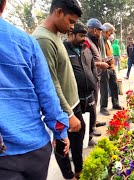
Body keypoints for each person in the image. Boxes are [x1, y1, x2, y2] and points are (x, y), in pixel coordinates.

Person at [0, 0, 70, 179]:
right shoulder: (26, 41)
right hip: (35, 149)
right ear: (4, 4)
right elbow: (47, 94)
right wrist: (60, 132)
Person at [32, 0, 84, 179]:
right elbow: (50, 84)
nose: (72, 27)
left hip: (72, 104)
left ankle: (79, 173)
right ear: (59, 12)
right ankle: (70, 176)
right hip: (62, 110)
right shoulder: (43, 39)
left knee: (77, 145)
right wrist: (69, 115)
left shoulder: (54, 35)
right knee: (63, 147)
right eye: (70, 21)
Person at [64, 22, 101, 143]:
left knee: (90, 116)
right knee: (77, 123)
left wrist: (95, 80)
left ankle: (89, 136)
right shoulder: (64, 51)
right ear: (71, 35)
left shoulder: (86, 50)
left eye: (85, 36)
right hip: (74, 95)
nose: (84, 39)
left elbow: (92, 68)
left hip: (89, 92)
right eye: (81, 36)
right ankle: (74, 145)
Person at [86, 18, 110, 118]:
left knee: (95, 99)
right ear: (95, 30)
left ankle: (94, 121)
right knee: (92, 101)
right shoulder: (87, 42)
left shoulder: (94, 41)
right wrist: (100, 64)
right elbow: (85, 61)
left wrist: (102, 60)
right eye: (100, 30)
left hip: (95, 75)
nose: (101, 32)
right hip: (90, 76)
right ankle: (91, 127)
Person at [100, 23, 124, 112]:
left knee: (114, 86)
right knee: (104, 88)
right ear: (104, 31)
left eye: (111, 34)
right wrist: (105, 59)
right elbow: (99, 55)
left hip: (111, 67)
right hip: (104, 68)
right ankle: (103, 107)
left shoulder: (108, 41)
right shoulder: (100, 40)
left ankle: (115, 103)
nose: (110, 35)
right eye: (109, 33)